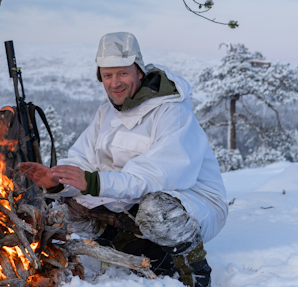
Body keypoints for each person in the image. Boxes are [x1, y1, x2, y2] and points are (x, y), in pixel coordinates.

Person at [20, 32, 228, 287]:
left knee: (155, 209)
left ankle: (195, 273)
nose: (114, 82)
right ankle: (140, 251)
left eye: (123, 73)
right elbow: (82, 162)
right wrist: (58, 182)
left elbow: (155, 177)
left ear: (139, 72)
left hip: (192, 204)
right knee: (64, 207)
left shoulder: (171, 111)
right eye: (107, 75)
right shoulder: (106, 112)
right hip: (133, 204)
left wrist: (95, 183)